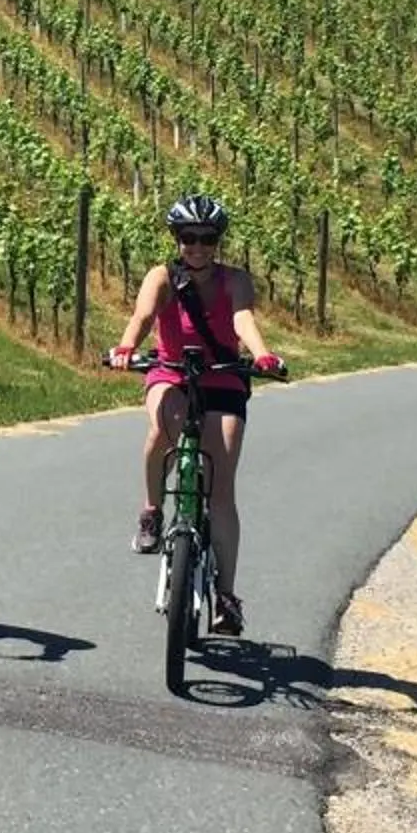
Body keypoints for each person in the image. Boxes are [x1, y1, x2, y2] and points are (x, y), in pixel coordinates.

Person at [105, 194, 284, 636]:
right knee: (162, 430)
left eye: (207, 238)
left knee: (221, 486)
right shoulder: (162, 276)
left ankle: (226, 595)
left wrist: (261, 355)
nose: (197, 247)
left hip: (222, 377)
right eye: (188, 238)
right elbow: (143, 315)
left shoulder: (235, 280)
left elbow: (243, 320)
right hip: (171, 372)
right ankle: (151, 511)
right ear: (177, 239)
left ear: (218, 241)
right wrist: (127, 346)